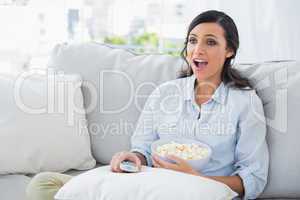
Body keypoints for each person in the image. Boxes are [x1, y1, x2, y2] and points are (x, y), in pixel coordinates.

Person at [26, 10, 269, 200]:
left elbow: (253, 179)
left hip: (205, 192)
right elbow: (141, 149)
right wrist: (131, 157)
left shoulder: (245, 102)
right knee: (42, 184)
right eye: (193, 41)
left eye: (211, 42)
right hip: (153, 185)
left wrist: (196, 178)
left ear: (230, 51)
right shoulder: (165, 93)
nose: (198, 50)